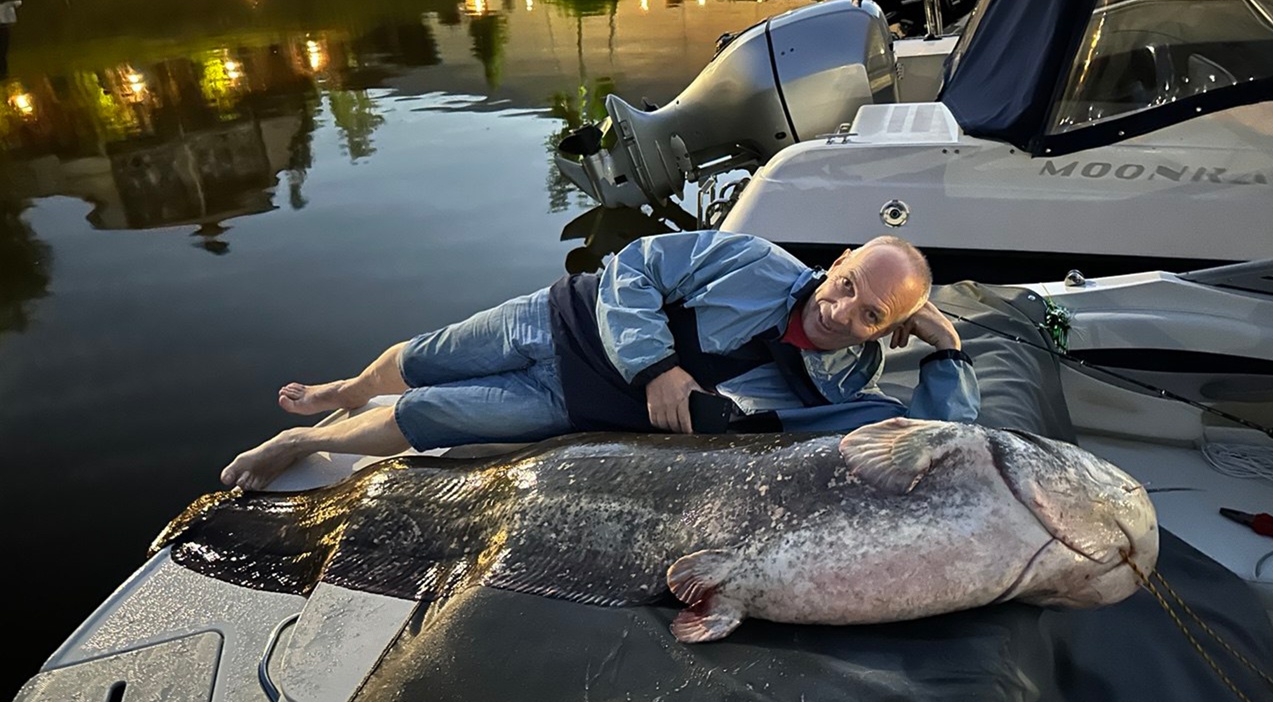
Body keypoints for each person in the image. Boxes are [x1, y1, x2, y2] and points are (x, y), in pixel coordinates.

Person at [220, 230, 979, 489]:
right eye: (847, 283)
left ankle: (304, 440)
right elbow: (632, 268)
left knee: (423, 416)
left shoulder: (849, 386)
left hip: (578, 407)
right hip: (561, 324)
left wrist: (950, 352)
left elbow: (944, 441)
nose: (842, 310)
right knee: (422, 359)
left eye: (871, 314)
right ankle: (347, 386)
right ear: (840, 258)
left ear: (892, 329)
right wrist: (657, 366)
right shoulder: (752, 259)